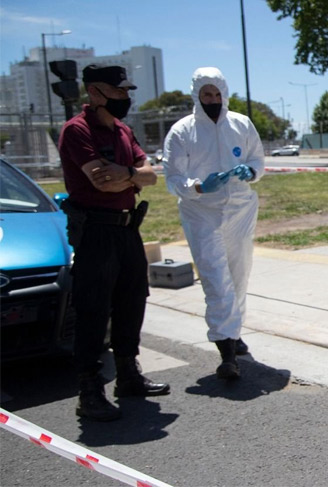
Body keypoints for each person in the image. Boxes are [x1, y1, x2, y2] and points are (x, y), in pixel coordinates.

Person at [58, 64, 170, 422]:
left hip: (126, 229)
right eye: (118, 91)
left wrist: (129, 176)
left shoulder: (123, 130)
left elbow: (152, 176)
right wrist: (132, 177)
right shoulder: (77, 131)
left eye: (126, 91)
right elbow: (102, 182)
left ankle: (128, 375)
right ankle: (89, 390)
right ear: (94, 92)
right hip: (96, 231)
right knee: (93, 310)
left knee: (131, 301)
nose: (125, 97)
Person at [164, 67, 264, 380]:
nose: (213, 100)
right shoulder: (182, 132)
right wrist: (198, 187)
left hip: (239, 209)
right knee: (215, 280)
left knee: (238, 276)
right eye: (207, 94)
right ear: (196, 95)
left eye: (217, 94)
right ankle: (226, 352)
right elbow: (173, 178)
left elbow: (257, 160)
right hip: (201, 211)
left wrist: (250, 171)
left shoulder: (241, 124)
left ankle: (233, 333)